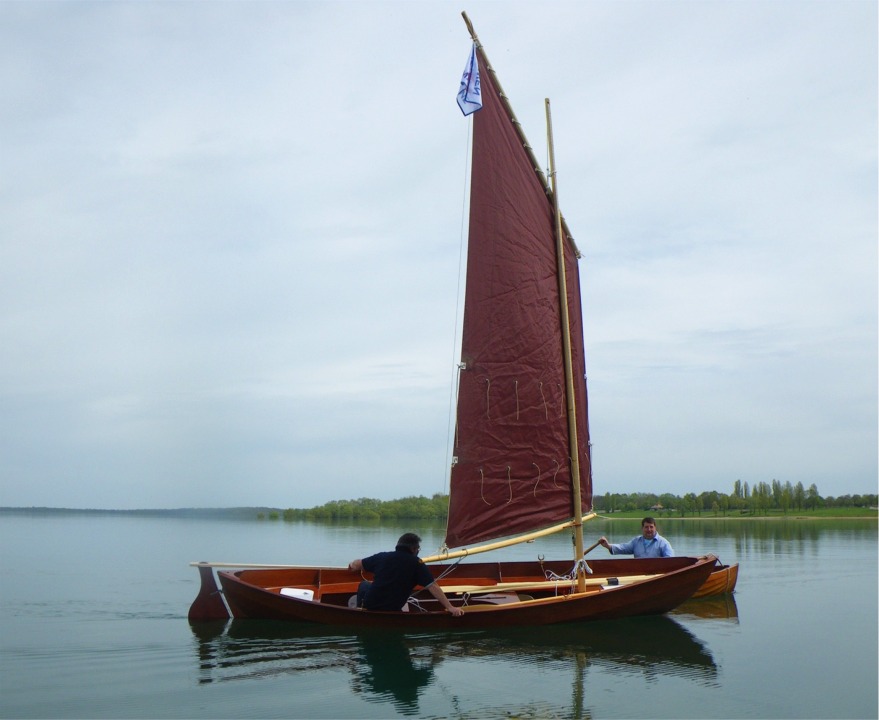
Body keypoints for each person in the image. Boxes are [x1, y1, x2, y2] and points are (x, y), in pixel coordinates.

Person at [348, 532, 464, 616]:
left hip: (371, 605)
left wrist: (352, 565)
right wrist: (450, 607)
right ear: (414, 549)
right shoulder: (417, 564)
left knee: (364, 585)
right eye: (418, 549)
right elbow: (433, 586)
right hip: (394, 608)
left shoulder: (382, 557)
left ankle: (360, 611)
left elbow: (358, 564)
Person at [598, 517, 674, 558]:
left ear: (655, 528)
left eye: (651, 527)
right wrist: (608, 546)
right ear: (642, 528)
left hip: (657, 576)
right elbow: (623, 548)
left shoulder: (663, 543)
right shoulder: (636, 541)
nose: (649, 530)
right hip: (639, 575)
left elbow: (670, 560)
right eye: (646, 527)